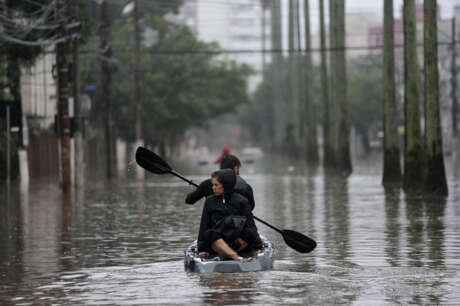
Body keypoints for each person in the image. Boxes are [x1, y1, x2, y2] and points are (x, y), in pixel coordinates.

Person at [197, 169, 262, 260]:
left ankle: (225, 254)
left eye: (216, 185)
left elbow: (251, 225)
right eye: (213, 185)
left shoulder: (242, 201)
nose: (213, 188)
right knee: (208, 234)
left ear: (226, 186)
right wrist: (201, 249)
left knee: (249, 232)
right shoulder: (209, 201)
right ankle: (234, 256)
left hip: (237, 241)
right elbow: (204, 225)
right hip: (218, 241)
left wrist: (258, 247)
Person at [185, 154, 255, 210]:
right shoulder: (246, 187)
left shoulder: (206, 184)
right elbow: (251, 207)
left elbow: (189, 200)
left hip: (214, 226)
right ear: (236, 168)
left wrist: (201, 189)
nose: (214, 187)